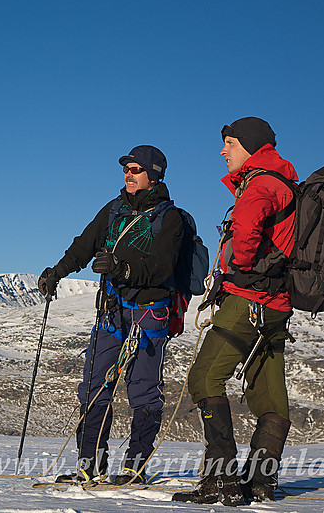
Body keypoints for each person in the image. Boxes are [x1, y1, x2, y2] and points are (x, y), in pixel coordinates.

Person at [38, 145, 183, 484]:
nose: (128, 174)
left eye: (136, 169)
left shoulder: (171, 218)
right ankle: (90, 465)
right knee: (93, 387)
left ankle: (135, 467)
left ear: (154, 173)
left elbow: (162, 267)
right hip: (112, 312)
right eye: (126, 169)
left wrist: (122, 268)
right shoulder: (114, 209)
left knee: (144, 390)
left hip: (150, 314)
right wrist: (56, 273)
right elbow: (83, 245)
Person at [172, 117, 296, 506]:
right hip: (276, 306)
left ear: (251, 146)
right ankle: (259, 482)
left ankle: (220, 481)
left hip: (248, 301)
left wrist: (239, 266)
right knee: (269, 393)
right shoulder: (284, 182)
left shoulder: (260, 183)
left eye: (229, 143)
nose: (223, 151)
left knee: (204, 379)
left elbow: (245, 231)